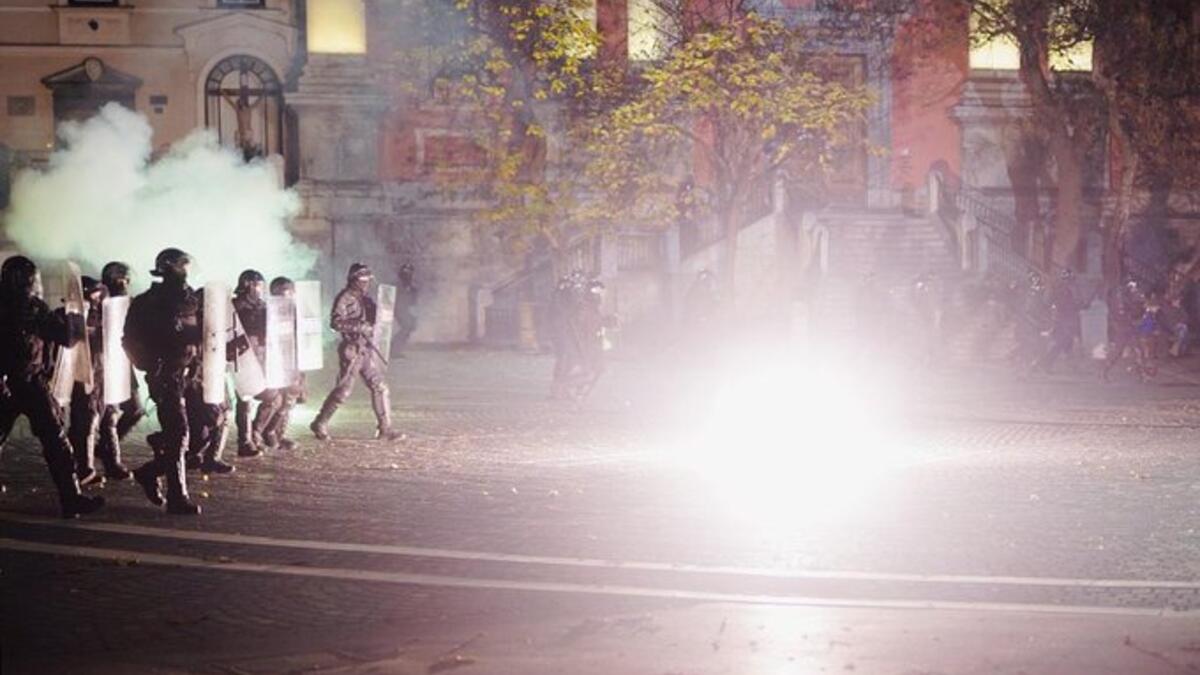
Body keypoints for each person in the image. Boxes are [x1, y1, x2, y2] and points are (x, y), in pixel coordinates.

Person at [0, 255, 105, 518]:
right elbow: (66, 337)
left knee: (56, 441)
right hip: (18, 382)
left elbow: (64, 337)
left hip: (28, 382)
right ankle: (71, 498)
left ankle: (72, 499)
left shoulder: (33, 307)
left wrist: (74, 317)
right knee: (55, 441)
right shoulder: (31, 307)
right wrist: (73, 321)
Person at [124, 248, 206, 515]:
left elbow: (208, 332)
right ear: (170, 268)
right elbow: (129, 340)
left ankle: (150, 472)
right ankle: (177, 496)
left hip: (192, 374)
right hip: (166, 376)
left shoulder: (194, 299)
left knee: (206, 428)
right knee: (179, 432)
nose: (186, 272)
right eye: (183, 267)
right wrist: (149, 364)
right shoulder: (147, 302)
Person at [310, 263, 402, 441]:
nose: (366, 283)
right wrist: (360, 326)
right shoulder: (344, 297)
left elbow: (376, 317)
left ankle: (385, 429)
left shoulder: (365, 298)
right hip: (351, 348)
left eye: (368, 280)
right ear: (354, 279)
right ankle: (320, 422)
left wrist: (383, 316)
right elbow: (335, 323)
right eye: (363, 280)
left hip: (366, 348)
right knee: (344, 391)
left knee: (380, 386)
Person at [68, 276, 131, 486]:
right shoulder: (77, 315)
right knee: (87, 422)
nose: (98, 296)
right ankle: (85, 468)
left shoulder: (105, 312)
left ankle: (113, 463)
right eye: (94, 292)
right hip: (86, 374)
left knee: (110, 418)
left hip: (106, 372)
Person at [231, 269, 276, 458]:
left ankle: (256, 433)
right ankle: (245, 441)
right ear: (248, 285)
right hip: (242, 358)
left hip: (261, 358)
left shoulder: (263, 305)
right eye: (257, 285)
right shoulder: (235, 306)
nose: (260, 289)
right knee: (245, 400)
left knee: (273, 396)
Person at [101, 261, 146, 440]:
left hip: (122, 362)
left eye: (126, 280)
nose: (125, 284)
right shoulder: (99, 302)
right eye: (122, 280)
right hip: (102, 364)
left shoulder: (131, 304)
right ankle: (105, 452)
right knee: (106, 413)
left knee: (135, 410)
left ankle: (105, 447)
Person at [258, 276, 305, 451]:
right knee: (275, 399)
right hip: (276, 359)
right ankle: (261, 432)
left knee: (289, 400)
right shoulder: (268, 310)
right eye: (287, 290)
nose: (291, 293)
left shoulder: (295, 310)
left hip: (293, 359)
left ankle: (277, 433)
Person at [1032, 269, 1082, 374]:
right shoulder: (1070, 288)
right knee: (1061, 342)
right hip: (1065, 319)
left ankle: (1070, 365)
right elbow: (1078, 302)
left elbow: (1047, 302)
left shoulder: (1057, 288)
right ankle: (1045, 363)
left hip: (1061, 318)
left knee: (1067, 342)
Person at [391, 262, 418, 358]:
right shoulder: (395, 285)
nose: (407, 275)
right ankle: (393, 348)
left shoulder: (412, 288)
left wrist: (413, 314)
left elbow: (413, 302)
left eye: (409, 273)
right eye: (405, 273)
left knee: (410, 327)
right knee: (407, 327)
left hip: (404, 309)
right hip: (396, 309)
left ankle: (396, 348)